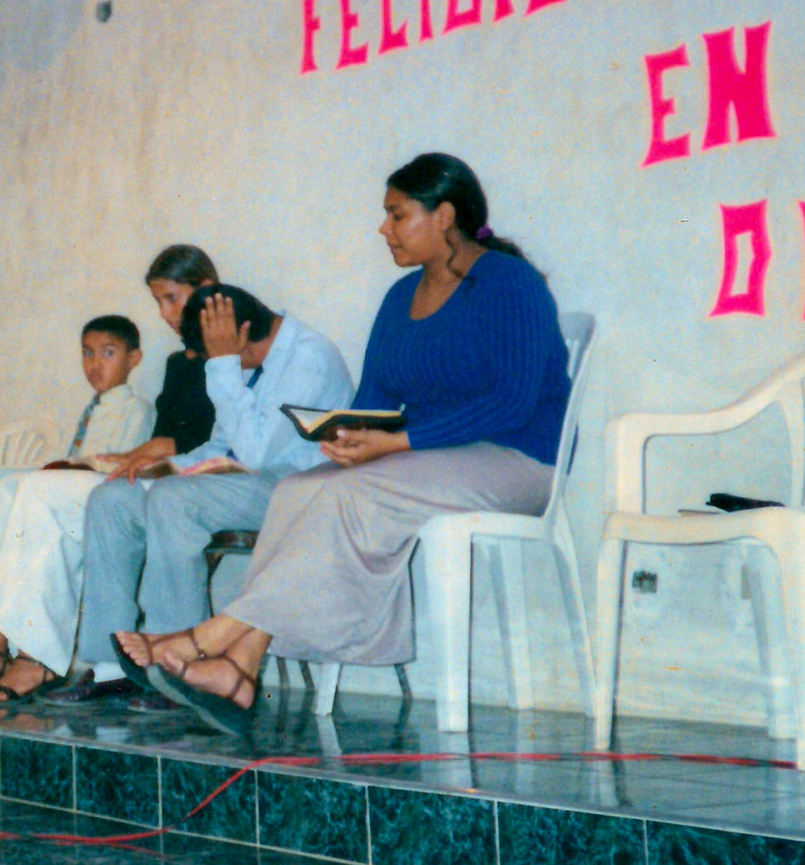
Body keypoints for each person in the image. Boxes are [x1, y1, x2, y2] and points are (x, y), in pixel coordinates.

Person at [118, 152, 571, 735]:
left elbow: (511, 403)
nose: (383, 229)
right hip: (430, 458)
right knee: (301, 489)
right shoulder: (399, 298)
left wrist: (398, 442)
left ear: (444, 216)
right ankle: (238, 666)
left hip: (518, 459)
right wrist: (351, 435)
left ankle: (206, 639)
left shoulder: (510, 284)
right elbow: (376, 398)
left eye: (397, 214)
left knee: (349, 496)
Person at [0, 245, 222, 704]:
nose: (167, 313)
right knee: (13, 490)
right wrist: (116, 459)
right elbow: (167, 438)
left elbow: (200, 443)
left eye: (173, 298)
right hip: (153, 473)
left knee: (39, 493)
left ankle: (37, 660)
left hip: (183, 483)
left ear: (207, 290)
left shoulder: (227, 359)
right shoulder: (178, 363)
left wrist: (132, 459)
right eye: (159, 302)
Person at [60, 284, 355, 706]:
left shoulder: (308, 357)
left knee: (174, 499)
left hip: (294, 487)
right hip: (239, 483)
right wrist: (165, 467)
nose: (234, 367)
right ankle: (111, 666)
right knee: (114, 497)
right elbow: (221, 446)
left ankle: (175, 664)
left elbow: (256, 452)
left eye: (236, 357)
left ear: (246, 331)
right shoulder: (250, 356)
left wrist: (222, 365)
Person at [0, 314, 154, 689]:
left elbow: (116, 463)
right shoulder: (92, 410)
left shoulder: (135, 410)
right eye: (88, 353)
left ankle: (19, 649)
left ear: (134, 358)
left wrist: (72, 467)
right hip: (64, 492)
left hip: (95, 499)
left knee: (1, 509)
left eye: (108, 353)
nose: (95, 364)